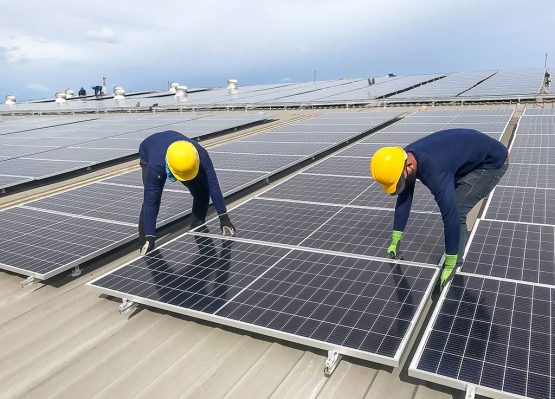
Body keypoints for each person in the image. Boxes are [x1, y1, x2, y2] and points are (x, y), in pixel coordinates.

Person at [370, 129, 509, 288]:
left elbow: (450, 216)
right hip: (467, 154)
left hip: (491, 163)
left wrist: (449, 261)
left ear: (409, 166)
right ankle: (454, 255)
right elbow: (405, 197)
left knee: (458, 208)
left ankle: (456, 262)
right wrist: (395, 239)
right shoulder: (404, 158)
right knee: (454, 200)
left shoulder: (435, 171)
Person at [138, 131, 236, 255]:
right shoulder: (155, 166)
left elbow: (213, 185)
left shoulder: (201, 154)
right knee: (150, 199)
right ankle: (144, 243)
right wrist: (149, 236)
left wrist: (224, 218)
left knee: (202, 190)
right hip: (150, 152)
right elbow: (150, 203)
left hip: (177, 150)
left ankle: (197, 224)